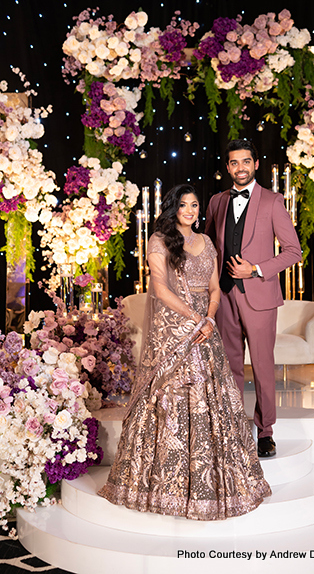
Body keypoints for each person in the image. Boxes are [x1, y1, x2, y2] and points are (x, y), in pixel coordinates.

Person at [98, 184, 271, 520]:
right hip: (175, 326)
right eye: (184, 205)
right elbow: (160, 288)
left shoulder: (206, 242)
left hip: (205, 325)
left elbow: (214, 287)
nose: (190, 211)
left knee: (216, 396)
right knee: (171, 396)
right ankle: (164, 485)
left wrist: (209, 316)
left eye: (195, 205)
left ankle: (218, 483)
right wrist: (195, 319)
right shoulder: (160, 241)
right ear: (173, 208)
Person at [205, 140, 302, 459]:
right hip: (224, 296)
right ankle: (233, 426)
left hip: (259, 297)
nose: (240, 167)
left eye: (246, 161)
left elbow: (293, 252)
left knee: (261, 366)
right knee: (229, 366)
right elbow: (208, 249)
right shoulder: (217, 202)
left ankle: (266, 432)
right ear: (228, 167)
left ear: (256, 164)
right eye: (234, 163)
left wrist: (257, 269)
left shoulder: (273, 202)